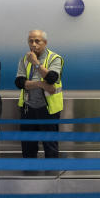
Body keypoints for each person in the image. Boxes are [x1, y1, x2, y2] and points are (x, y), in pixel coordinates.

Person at [15, 29, 64, 159]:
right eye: (30, 41)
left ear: (45, 42)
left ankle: (51, 172)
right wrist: (40, 84)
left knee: (50, 144)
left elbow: (52, 78)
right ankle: (29, 171)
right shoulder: (24, 60)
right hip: (28, 107)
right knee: (28, 144)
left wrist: (36, 63)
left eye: (37, 41)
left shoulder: (54, 58)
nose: (33, 44)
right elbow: (19, 82)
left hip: (48, 108)